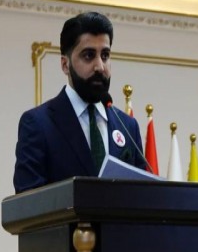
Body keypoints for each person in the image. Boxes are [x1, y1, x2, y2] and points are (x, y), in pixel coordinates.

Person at [13, 12, 147, 193]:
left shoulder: (128, 126)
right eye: (88, 56)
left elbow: (143, 196)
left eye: (105, 55)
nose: (100, 66)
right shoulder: (38, 124)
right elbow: (28, 202)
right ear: (65, 65)